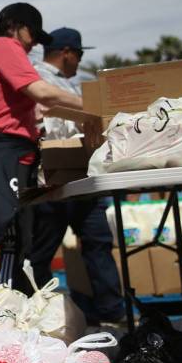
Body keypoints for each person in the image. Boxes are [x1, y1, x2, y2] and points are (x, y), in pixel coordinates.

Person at [0, 3, 83, 291]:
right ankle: (8, 305)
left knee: (25, 236)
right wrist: (94, 104)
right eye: (33, 35)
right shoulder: (4, 46)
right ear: (15, 25)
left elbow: (38, 104)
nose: (35, 44)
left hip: (4, 150)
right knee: (14, 237)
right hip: (1, 149)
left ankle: (19, 301)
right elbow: (42, 92)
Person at [29, 27, 125, 324]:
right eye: (79, 54)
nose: (80, 61)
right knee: (41, 253)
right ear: (67, 52)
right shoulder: (37, 79)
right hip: (52, 175)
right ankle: (41, 317)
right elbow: (46, 123)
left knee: (97, 241)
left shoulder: (68, 85)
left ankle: (111, 314)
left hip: (83, 174)